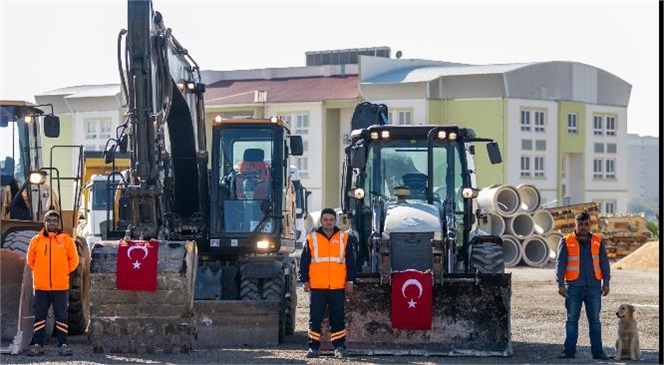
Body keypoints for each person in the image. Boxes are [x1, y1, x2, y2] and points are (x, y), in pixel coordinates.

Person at [298, 208, 356, 358]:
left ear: (335, 221)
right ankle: (313, 348)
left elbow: (351, 262)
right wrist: (304, 280)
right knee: (315, 318)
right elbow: (304, 262)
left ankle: (339, 347)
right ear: (321, 221)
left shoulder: (344, 238)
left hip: (337, 286)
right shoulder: (311, 238)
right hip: (317, 286)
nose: (328, 223)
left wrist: (350, 281)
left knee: (337, 318)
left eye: (331, 220)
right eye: (325, 220)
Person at [555, 211, 610, 360]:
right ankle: (569, 351)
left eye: (586, 224)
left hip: (594, 286)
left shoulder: (598, 241)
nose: (583, 227)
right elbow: (560, 264)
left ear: (589, 225)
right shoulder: (566, 241)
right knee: (572, 320)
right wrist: (560, 284)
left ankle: (598, 352)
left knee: (595, 321)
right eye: (580, 224)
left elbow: (604, 263)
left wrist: (606, 283)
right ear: (575, 224)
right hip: (574, 286)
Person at [26, 210, 79, 356]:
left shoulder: (66, 240)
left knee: (61, 316)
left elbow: (74, 261)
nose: (52, 223)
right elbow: (30, 261)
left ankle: (63, 344)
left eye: (55, 220)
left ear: (58, 223)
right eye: (49, 220)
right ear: (45, 222)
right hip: (41, 287)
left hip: (61, 287)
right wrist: (40, 273)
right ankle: (38, 344)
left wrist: (62, 272)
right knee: (39, 316)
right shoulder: (36, 240)